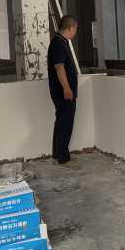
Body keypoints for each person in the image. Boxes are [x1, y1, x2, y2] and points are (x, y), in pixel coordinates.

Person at [48, 15, 79, 166]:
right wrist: (67, 88)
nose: (75, 32)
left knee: (62, 122)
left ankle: (58, 154)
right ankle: (63, 158)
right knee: (65, 123)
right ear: (70, 28)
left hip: (62, 91)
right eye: (75, 29)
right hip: (63, 92)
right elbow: (59, 67)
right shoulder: (58, 44)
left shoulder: (60, 42)